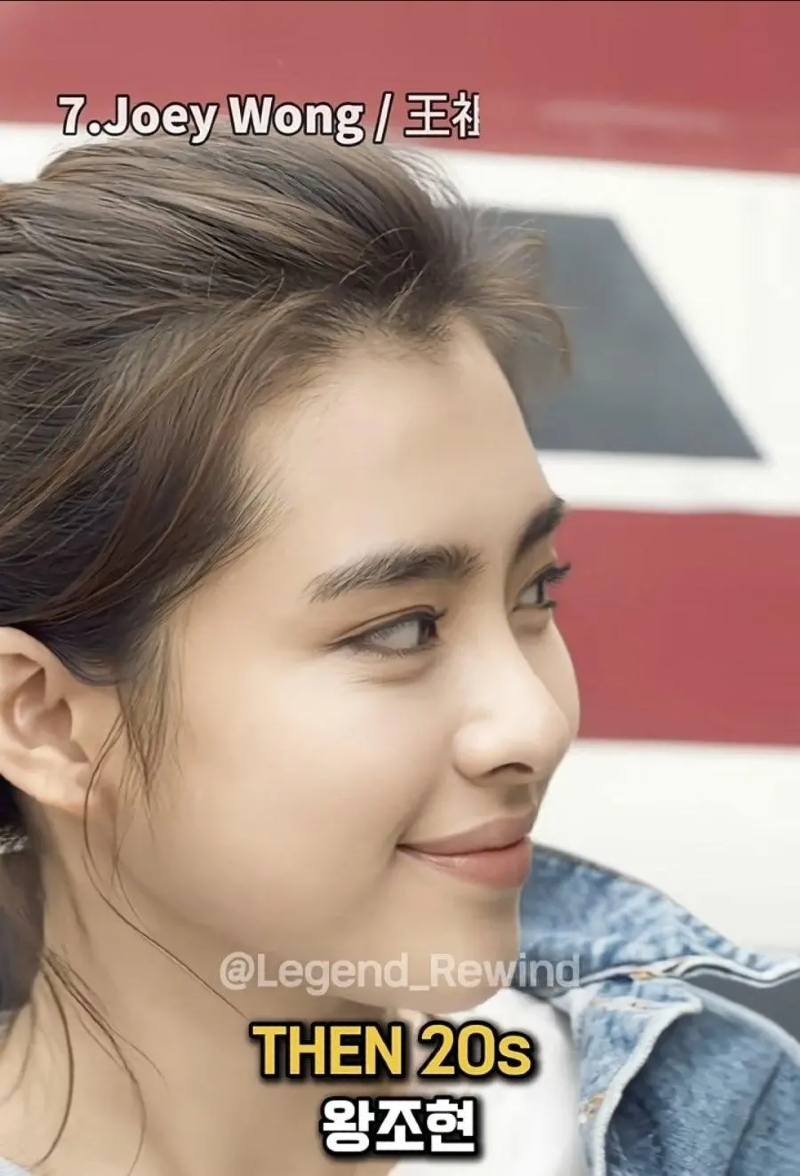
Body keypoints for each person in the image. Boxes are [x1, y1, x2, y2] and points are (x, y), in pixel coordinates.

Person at [0, 133, 796, 1176]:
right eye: (401, 628)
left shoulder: (719, 1120)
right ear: (45, 721)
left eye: (533, 593)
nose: (534, 721)